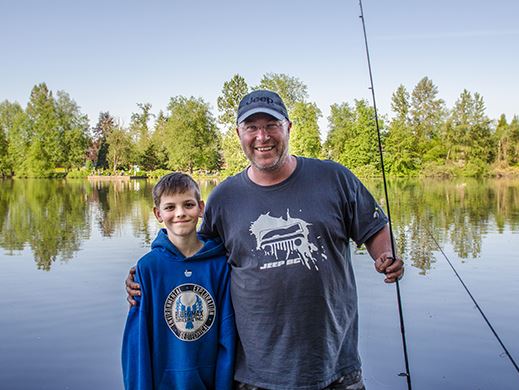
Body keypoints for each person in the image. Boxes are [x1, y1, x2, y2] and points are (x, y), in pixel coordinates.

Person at [126, 90, 404, 390]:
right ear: (239, 133)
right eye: (251, 127)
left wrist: (384, 255)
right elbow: (193, 256)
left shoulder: (334, 178)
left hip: (335, 367)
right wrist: (147, 273)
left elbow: (374, 227)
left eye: (271, 125)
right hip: (255, 377)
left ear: (288, 127)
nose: (262, 136)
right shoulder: (224, 198)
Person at [121, 172, 235, 390]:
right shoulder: (148, 268)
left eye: (188, 205)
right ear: (158, 214)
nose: (180, 213)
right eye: (170, 207)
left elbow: (227, 335)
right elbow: (137, 343)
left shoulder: (220, 265)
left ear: (201, 208)